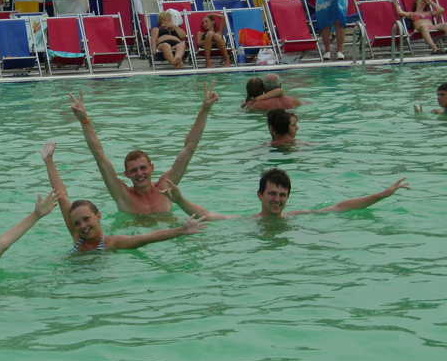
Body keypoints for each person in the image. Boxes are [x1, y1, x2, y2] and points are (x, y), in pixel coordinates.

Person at [69, 84, 218, 215]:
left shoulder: (166, 186)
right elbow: (100, 157)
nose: (139, 173)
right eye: (133, 170)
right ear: (127, 174)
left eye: (143, 168)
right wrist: (85, 121)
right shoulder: (122, 194)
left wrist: (204, 110)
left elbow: (189, 149)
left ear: (152, 168)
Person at [39, 142, 208, 254]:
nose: (82, 226)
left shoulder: (113, 242)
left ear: (98, 216)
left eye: (86, 219)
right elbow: (61, 196)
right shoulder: (77, 237)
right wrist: (49, 162)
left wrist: (180, 230)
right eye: (77, 223)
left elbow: (146, 238)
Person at [163, 168, 410, 221]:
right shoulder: (247, 221)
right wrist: (180, 201)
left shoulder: (296, 217)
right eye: (272, 193)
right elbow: (206, 215)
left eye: (282, 195)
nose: (277, 199)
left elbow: (341, 207)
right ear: (259, 195)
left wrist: (383, 194)